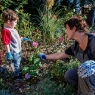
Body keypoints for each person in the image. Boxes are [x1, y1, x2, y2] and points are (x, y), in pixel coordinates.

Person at [39, 16, 95, 95]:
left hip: (92, 73)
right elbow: (59, 55)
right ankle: (84, 89)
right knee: (69, 75)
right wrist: (44, 56)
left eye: (67, 29)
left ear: (74, 28)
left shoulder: (93, 41)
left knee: (86, 68)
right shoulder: (75, 47)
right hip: (87, 74)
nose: (66, 32)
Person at [1, 9, 34, 81]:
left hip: (18, 50)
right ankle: (16, 76)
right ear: (8, 21)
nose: (16, 23)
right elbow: (6, 43)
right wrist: (8, 53)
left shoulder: (13, 29)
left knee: (18, 62)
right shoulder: (6, 31)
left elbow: (17, 37)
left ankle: (18, 71)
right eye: (15, 22)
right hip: (13, 52)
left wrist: (24, 38)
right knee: (14, 64)